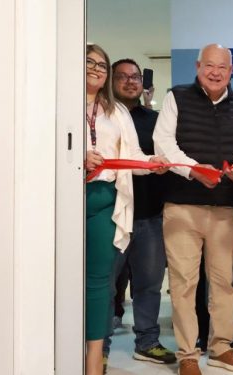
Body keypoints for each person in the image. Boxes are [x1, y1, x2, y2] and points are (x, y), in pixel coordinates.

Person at [153, 43, 233, 375]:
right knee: (184, 284)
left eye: (222, 67)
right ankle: (187, 354)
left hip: (225, 208)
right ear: (198, 66)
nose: (215, 72)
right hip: (182, 207)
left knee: (224, 282)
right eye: (209, 65)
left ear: (230, 71)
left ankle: (221, 347)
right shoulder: (177, 97)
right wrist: (193, 169)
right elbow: (163, 142)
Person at [83, 44, 168, 375]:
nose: (95, 68)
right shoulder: (60, 102)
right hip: (67, 200)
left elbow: (133, 153)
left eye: (100, 64)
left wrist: (154, 163)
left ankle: (95, 359)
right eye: (89, 62)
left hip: (110, 201)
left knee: (101, 280)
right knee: (76, 280)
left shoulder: (116, 112)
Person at [101, 58, 176, 366]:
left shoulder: (156, 120)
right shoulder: (100, 120)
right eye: (123, 77)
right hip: (111, 214)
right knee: (104, 285)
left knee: (149, 285)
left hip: (150, 216)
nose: (131, 82)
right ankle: (99, 346)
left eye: (135, 77)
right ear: (112, 81)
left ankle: (147, 341)